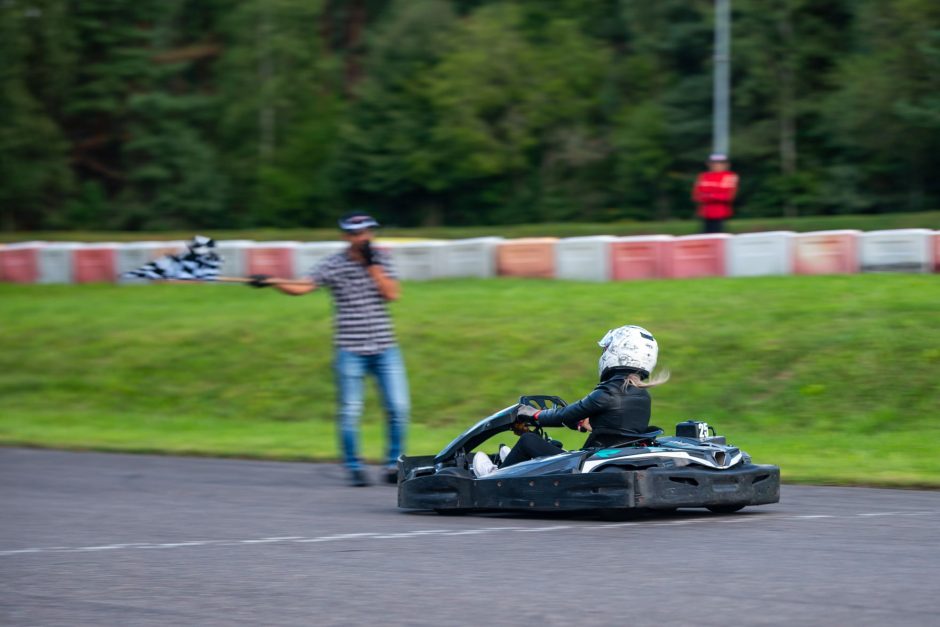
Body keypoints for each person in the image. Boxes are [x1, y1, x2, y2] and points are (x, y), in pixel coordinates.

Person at [249, 213, 410, 487]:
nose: (363, 237)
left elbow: (392, 294)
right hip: (350, 349)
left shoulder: (381, 260)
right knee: (350, 410)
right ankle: (354, 466)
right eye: (357, 233)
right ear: (346, 237)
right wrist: (272, 281)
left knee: (398, 407)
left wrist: (372, 267)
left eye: (367, 232)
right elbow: (302, 287)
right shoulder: (333, 264)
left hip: (384, 348)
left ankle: (392, 465)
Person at [472, 325, 669, 477]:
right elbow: (617, 427)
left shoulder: (608, 391)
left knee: (528, 440)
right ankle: (516, 463)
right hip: (611, 454)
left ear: (618, 352)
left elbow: (564, 415)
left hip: (593, 458)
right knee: (553, 445)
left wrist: (534, 415)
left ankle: (496, 475)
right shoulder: (642, 395)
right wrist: (583, 424)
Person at [692, 153, 739, 233]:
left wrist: (709, 195)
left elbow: (728, 196)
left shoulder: (730, 176)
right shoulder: (703, 176)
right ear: (708, 164)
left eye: (721, 163)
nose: (717, 165)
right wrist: (715, 195)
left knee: (720, 235)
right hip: (705, 213)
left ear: (726, 164)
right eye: (713, 162)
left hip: (721, 213)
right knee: (705, 236)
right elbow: (696, 196)